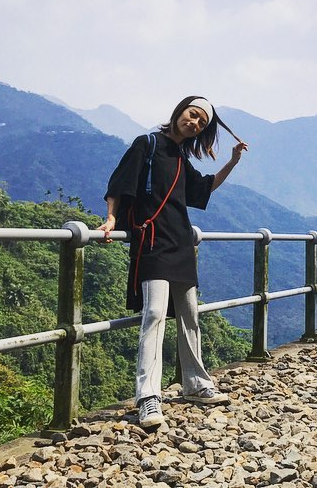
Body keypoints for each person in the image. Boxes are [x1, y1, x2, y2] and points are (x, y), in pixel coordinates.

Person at [98, 95, 248, 428]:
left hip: (180, 241)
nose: (194, 122)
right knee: (153, 315)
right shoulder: (147, 144)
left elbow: (204, 188)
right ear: (179, 112)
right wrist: (110, 219)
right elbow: (119, 185)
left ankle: (195, 382)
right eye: (192, 115)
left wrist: (233, 162)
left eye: (201, 122)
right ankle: (147, 396)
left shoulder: (181, 157)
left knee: (190, 315)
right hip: (152, 241)